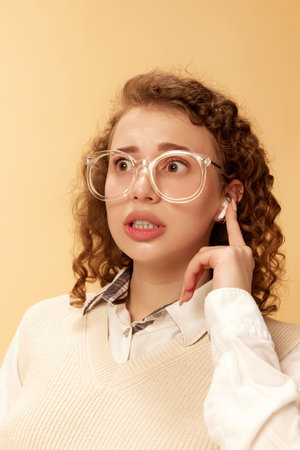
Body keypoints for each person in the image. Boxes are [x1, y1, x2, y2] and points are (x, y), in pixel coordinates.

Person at [0, 71, 299, 449]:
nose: (140, 190)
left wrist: (235, 315)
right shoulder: (43, 327)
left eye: (173, 165)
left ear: (228, 198)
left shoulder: (285, 354)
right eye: (123, 164)